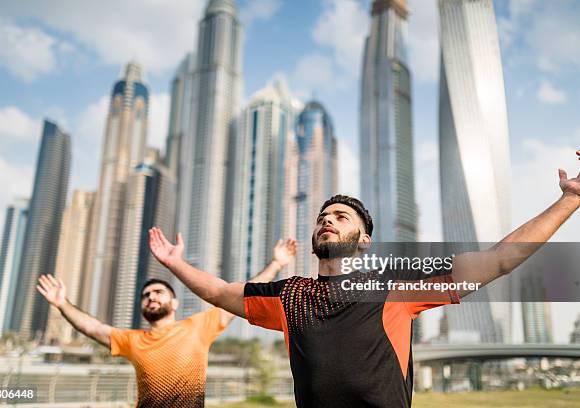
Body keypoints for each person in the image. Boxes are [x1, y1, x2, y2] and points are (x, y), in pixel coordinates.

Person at [148, 152, 580, 408]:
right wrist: (176, 264)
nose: (326, 222)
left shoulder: (395, 282)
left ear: (365, 238)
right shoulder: (290, 295)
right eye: (321, 218)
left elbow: (498, 260)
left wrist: (570, 200)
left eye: (340, 217)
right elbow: (222, 292)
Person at [36, 238, 297, 408]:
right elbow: (92, 328)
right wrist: (62, 304)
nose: (151, 297)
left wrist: (275, 263)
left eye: (158, 292)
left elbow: (240, 297)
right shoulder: (131, 340)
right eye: (146, 295)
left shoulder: (199, 327)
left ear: (174, 303)